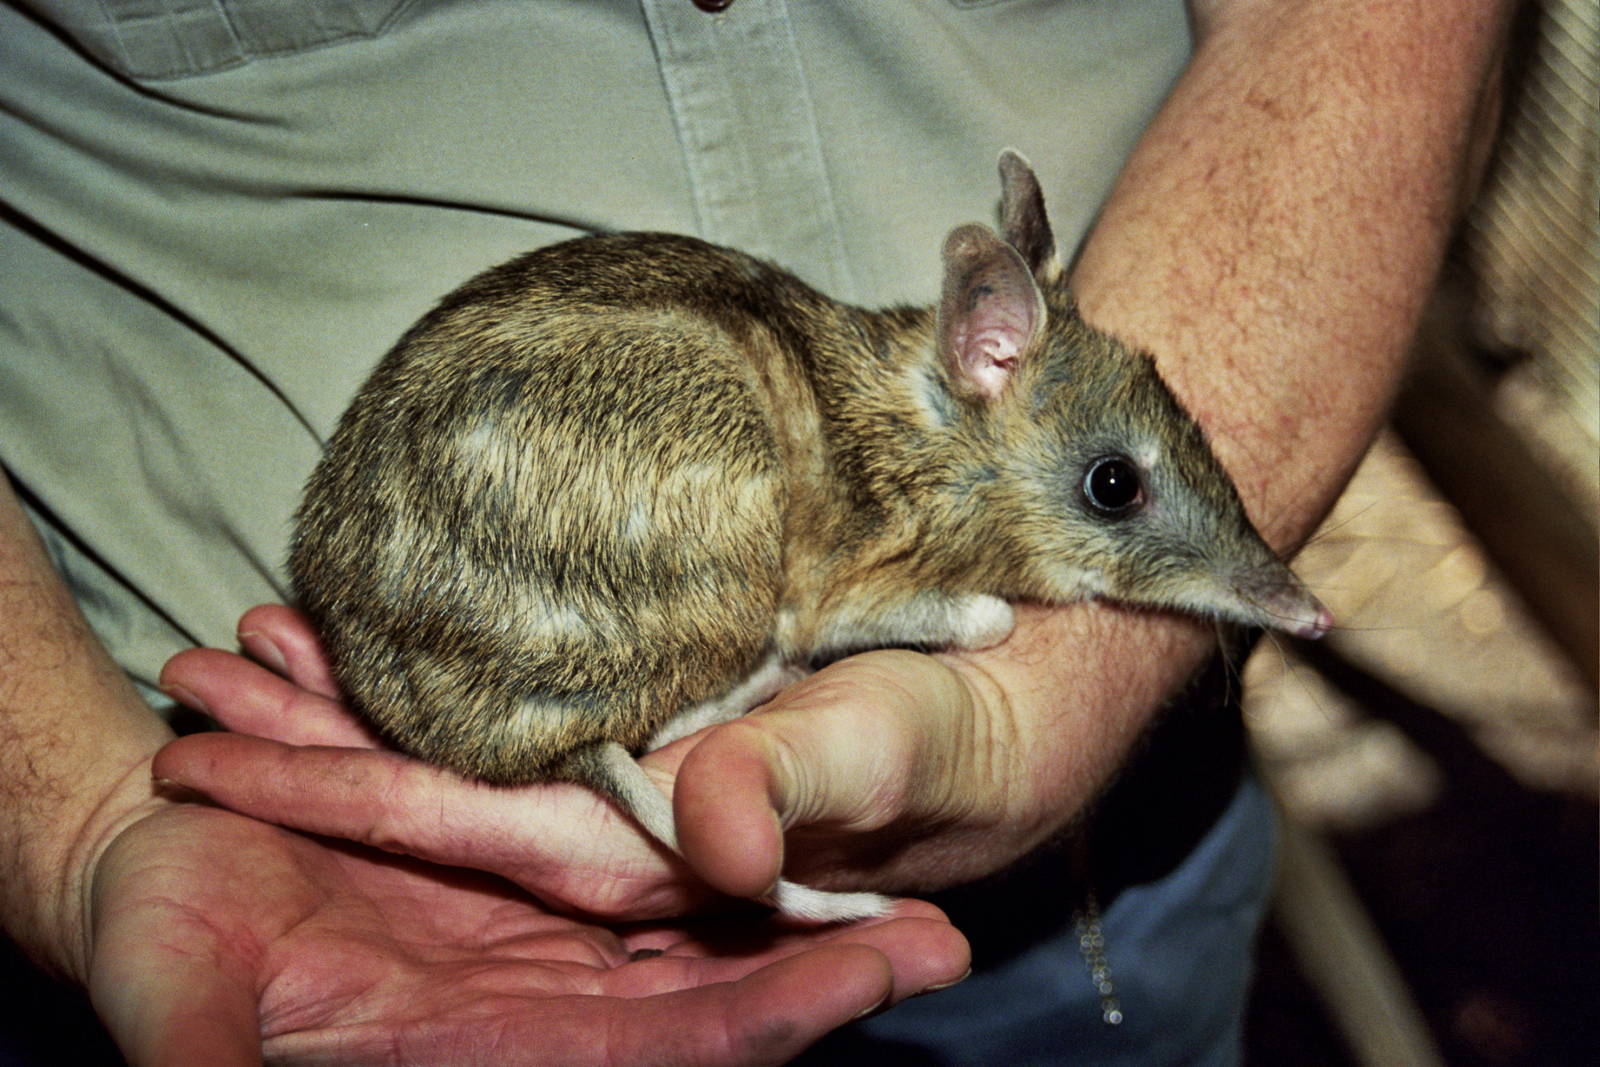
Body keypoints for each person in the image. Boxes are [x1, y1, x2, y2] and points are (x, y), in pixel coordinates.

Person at [0, 0, 1511, 1062]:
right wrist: (73, 823)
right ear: (985, 344)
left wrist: (1054, 701)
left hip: (1110, 867)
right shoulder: (864, 455)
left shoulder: (948, 409)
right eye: (1110, 496)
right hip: (311, 831)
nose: (1130, 526)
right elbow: (827, 590)